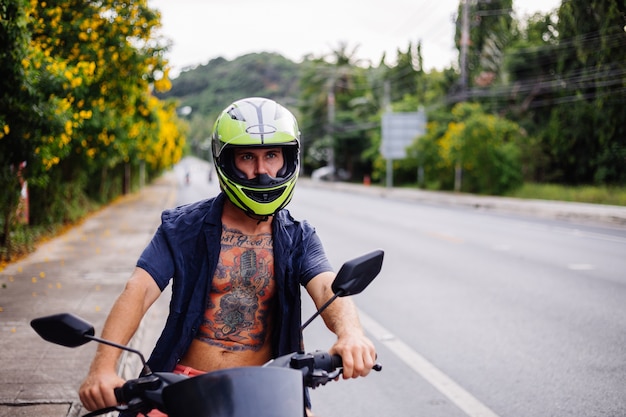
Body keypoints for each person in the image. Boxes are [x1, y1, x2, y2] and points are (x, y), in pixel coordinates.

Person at [78, 97, 377, 415]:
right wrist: (102, 369)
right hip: (181, 390)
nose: (262, 171)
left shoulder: (299, 236)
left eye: (272, 155)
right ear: (225, 161)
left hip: (269, 392)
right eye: (248, 156)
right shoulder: (182, 228)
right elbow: (137, 292)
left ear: (288, 159)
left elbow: (327, 286)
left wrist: (351, 334)